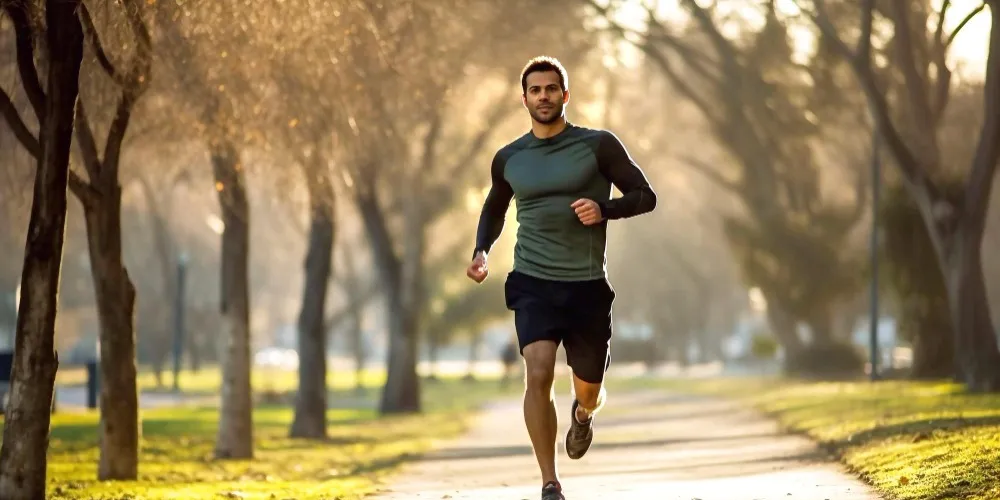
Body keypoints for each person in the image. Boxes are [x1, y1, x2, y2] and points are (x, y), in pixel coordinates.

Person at [465, 56, 656, 500]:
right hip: (533, 280)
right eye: (535, 90)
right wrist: (481, 250)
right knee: (538, 373)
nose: (544, 96)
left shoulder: (597, 145)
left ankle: (584, 416)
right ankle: (549, 481)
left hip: (586, 285)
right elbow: (495, 209)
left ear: (565, 95)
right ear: (525, 98)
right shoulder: (510, 157)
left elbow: (645, 195)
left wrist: (604, 208)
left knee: (588, 388)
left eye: (552, 89)